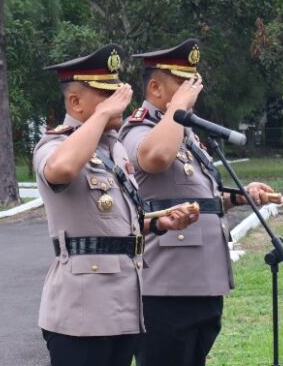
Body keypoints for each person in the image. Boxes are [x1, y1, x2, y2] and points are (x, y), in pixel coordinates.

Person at [35, 44, 198, 366]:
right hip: (80, 314)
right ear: (75, 101)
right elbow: (61, 170)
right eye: (106, 95)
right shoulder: (53, 144)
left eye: (117, 93)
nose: (118, 101)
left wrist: (158, 223)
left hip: (122, 308)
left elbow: (117, 223)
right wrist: (102, 117)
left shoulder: (114, 148)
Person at [119, 39, 276, 366]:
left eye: (193, 86)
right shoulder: (138, 130)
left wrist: (241, 196)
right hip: (165, 287)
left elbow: (200, 198)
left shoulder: (187, 137)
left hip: (202, 282)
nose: (192, 94)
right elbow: (157, 157)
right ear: (155, 88)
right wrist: (179, 109)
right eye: (182, 86)